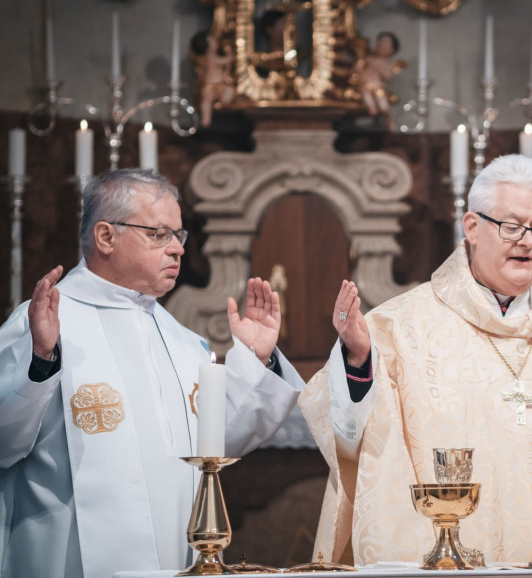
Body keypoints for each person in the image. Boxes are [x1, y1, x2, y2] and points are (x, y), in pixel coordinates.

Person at [299, 154, 532, 566]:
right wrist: (358, 362)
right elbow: (346, 440)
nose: (528, 241)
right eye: (512, 227)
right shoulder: (397, 329)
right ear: (472, 227)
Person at [0, 168, 304, 578]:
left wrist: (257, 359)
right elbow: (5, 440)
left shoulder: (182, 340)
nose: (177, 250)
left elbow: (216, 443)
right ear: (106, 237)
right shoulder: (43, 322)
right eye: (159, 234)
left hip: (173, 560)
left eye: (179, 236)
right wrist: (41, 361)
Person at [353, 31, 403, 129]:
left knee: (381, 96)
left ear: (391, 50)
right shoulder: (369, 59)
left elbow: (388, 76)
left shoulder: (384, 63)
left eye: (384, 43)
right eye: (379, 43)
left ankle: (386, 116)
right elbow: (359, 68)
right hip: (365, 84)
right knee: (366, 94)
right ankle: (372, 109)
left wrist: (379, 68)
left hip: (377, 85)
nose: (380, 45)